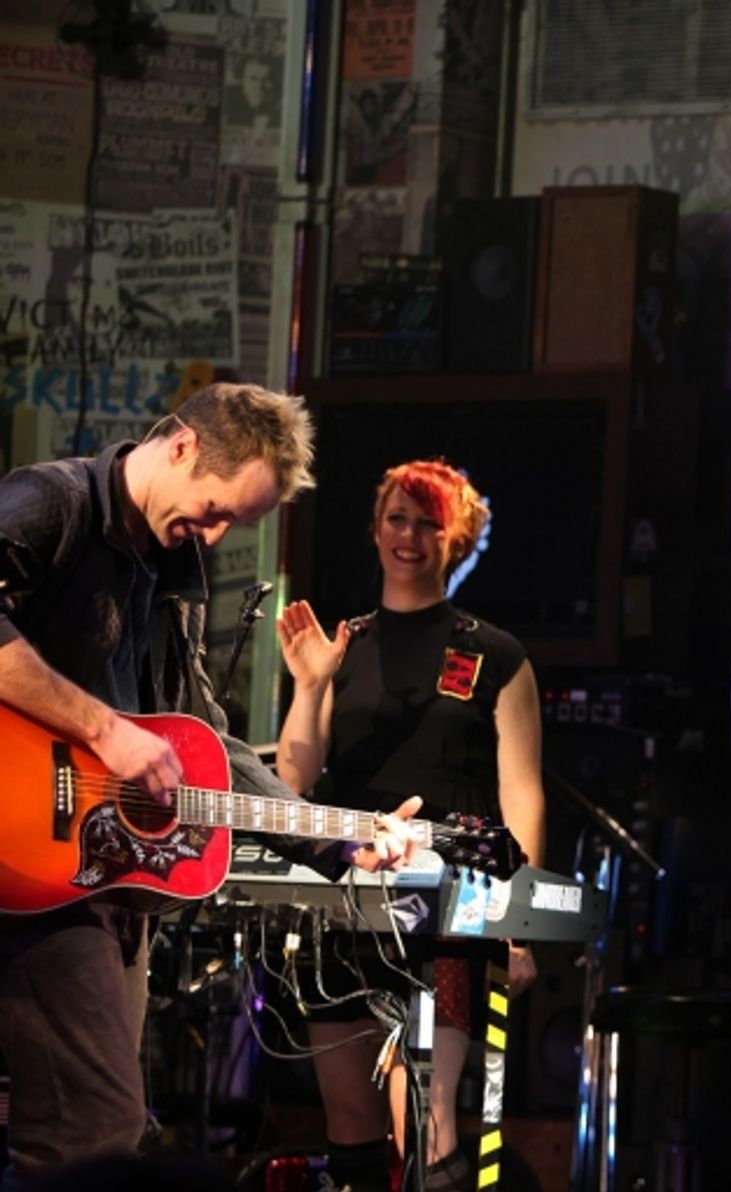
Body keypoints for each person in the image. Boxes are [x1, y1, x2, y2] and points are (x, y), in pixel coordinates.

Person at [0, 383, 421, 1192]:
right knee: (93, 1137)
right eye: (218, 510)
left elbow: (199, 736)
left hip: (91, 881)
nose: (218, 534)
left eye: (238, 524)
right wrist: (101, 728)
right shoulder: (52, 503)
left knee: (103, 1136)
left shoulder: (171, 563)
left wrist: (334, 833)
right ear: (182, 447)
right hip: (30, 866)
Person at [275, 458, 546, 1192]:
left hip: (455, 905)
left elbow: (522, 793)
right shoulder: (344, 644)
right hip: (344, 900)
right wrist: (309, 686)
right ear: (374, 528)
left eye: (430, 521)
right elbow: (295, 779)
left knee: (424, 1118)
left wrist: (517, 925)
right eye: (398, 517)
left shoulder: (496, 654)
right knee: (349, 1126)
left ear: (457, 538)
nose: (411, 535)